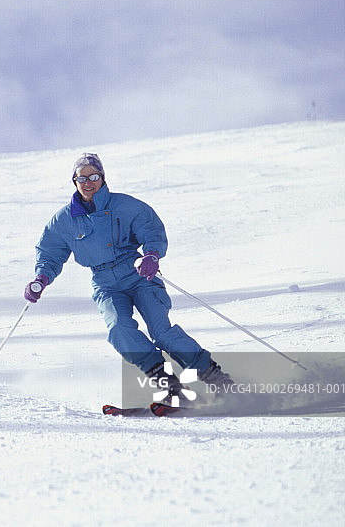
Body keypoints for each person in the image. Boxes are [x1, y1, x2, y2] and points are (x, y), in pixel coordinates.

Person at [24, 153, 233, 404]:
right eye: (82, 178)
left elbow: (151, 230)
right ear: (74, 181)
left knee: (162, 333)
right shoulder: (64, 219)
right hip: (105, 283)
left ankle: (219, 381)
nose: (88, 183)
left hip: (138, 274)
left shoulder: (125, 206)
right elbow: (50, 252)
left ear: (102, 178)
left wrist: (151, 255)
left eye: (94, 177)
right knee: (119, 330)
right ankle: (171, 387)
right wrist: (42, 278)